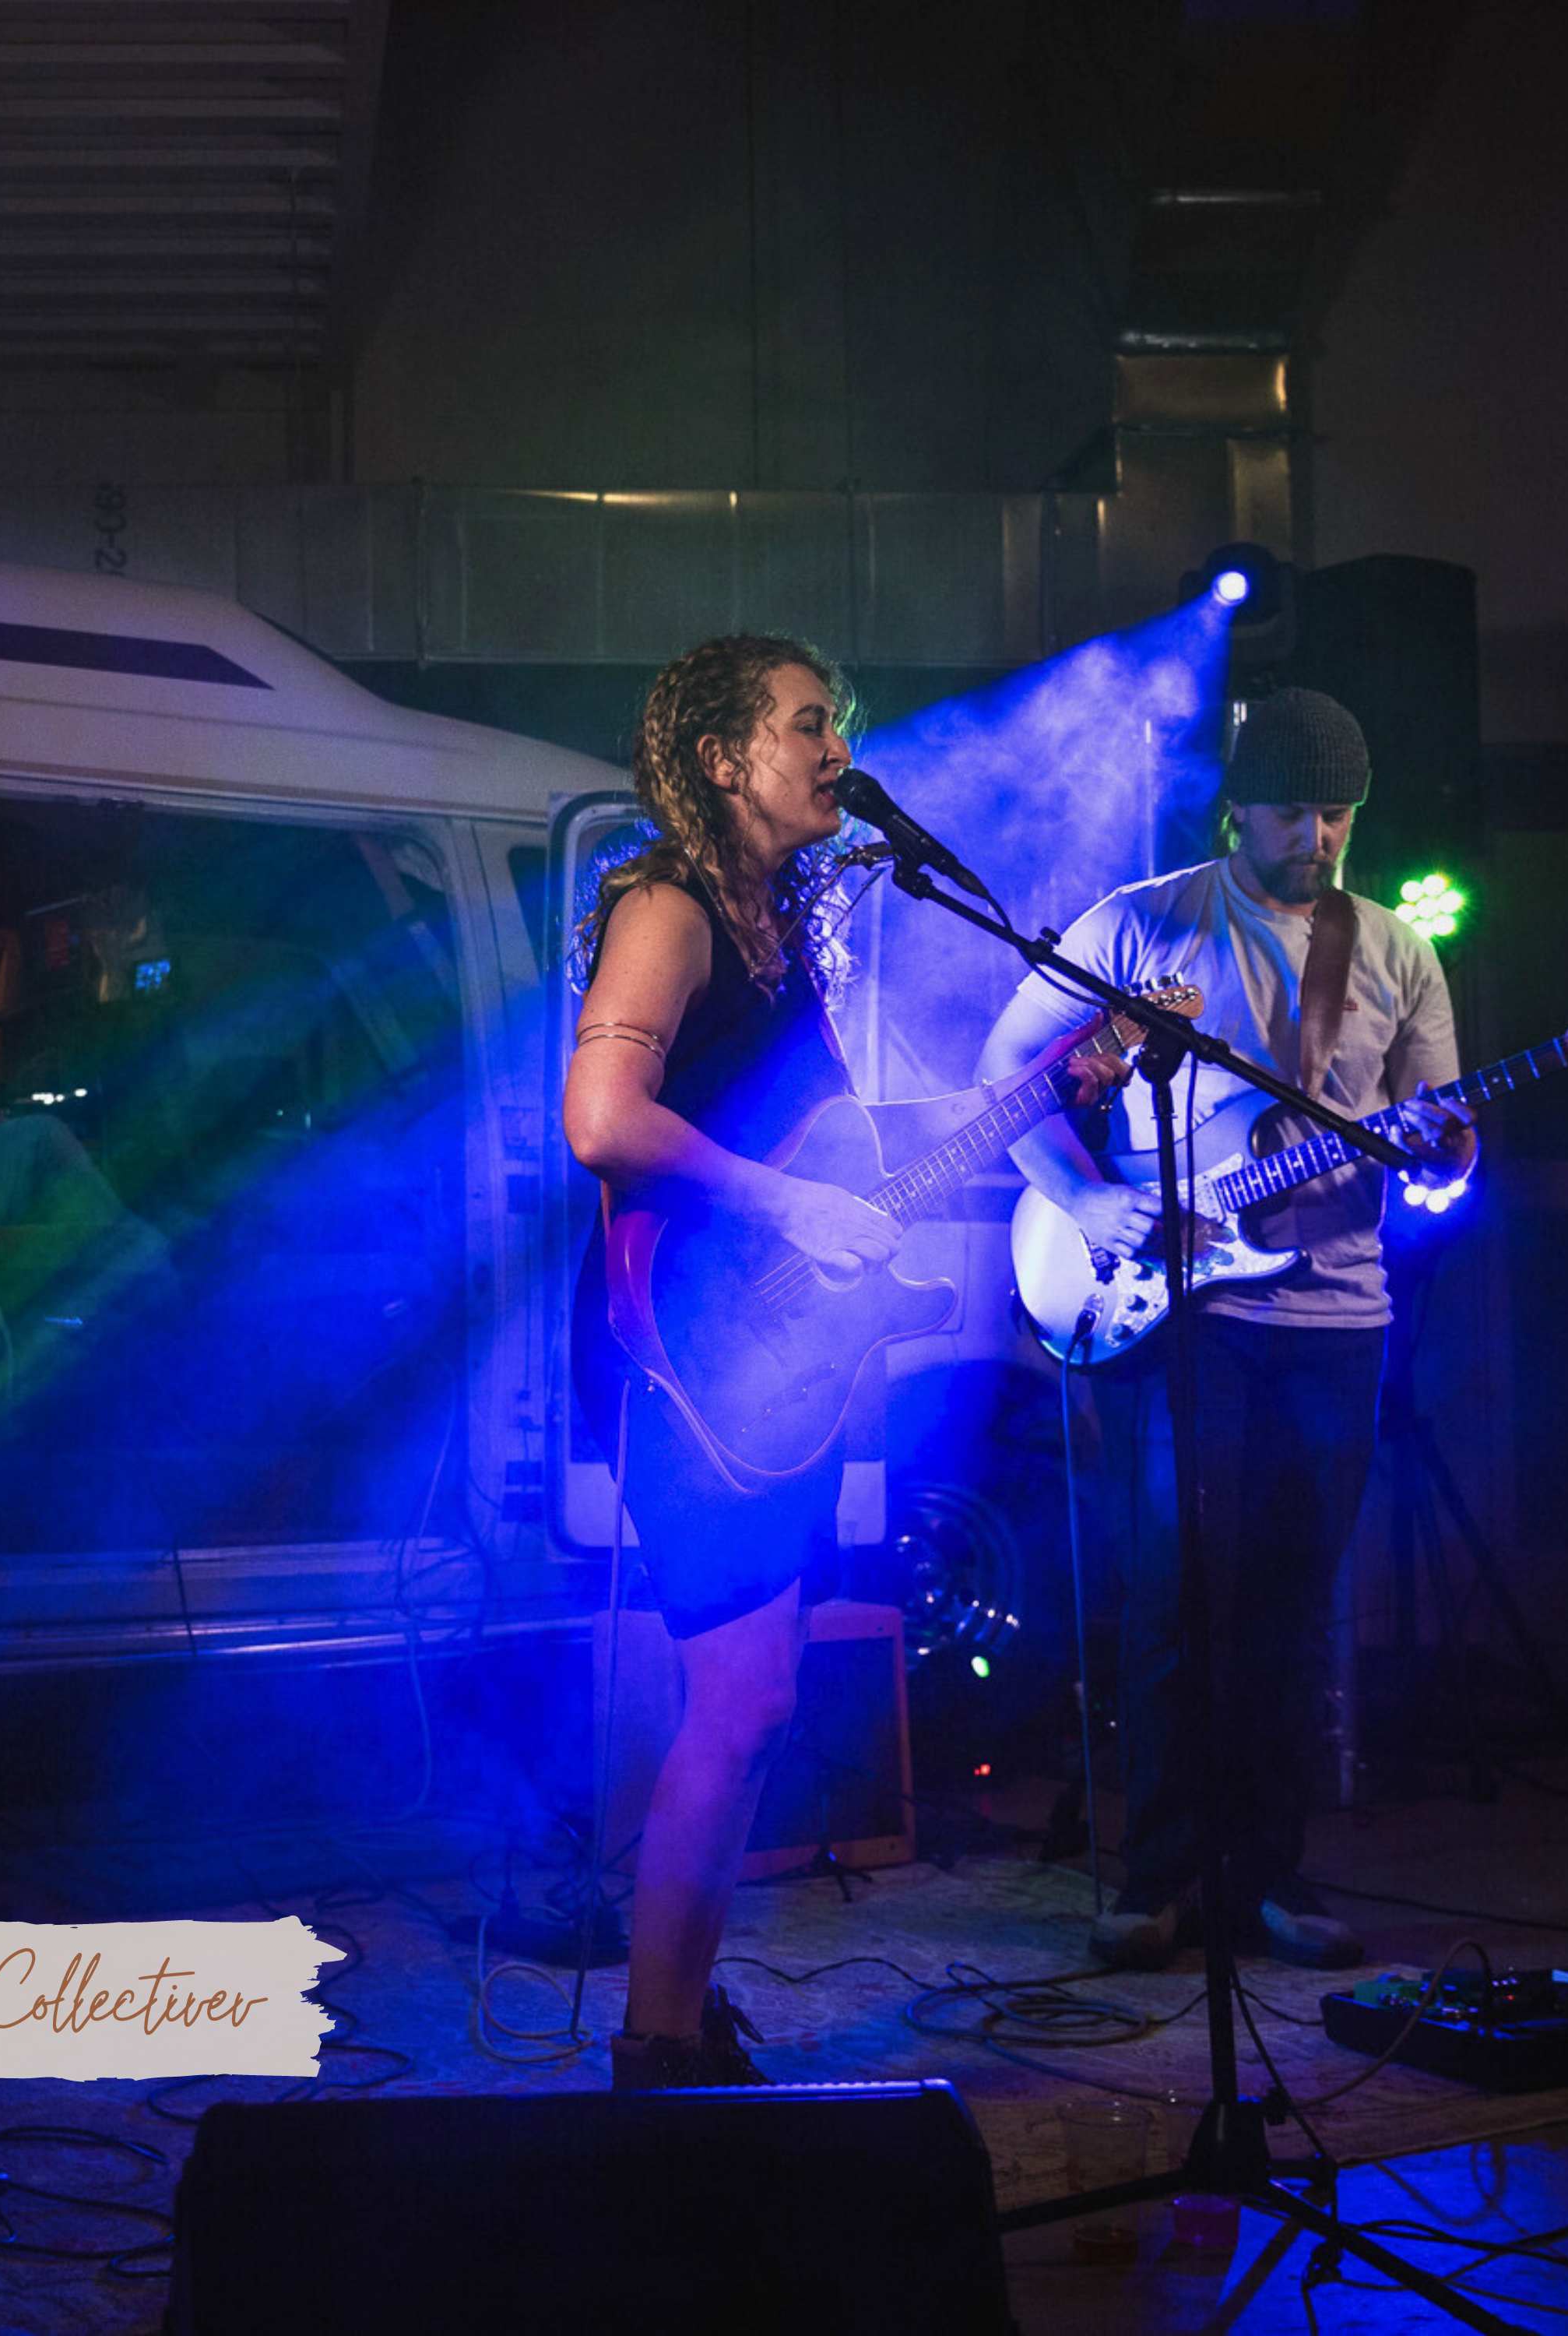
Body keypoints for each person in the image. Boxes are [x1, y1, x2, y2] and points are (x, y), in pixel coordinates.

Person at [976, 686, 1474, 1971]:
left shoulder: (1397, 951)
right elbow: (1003, 1073)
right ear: (1237, 810)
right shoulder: (1146, 923)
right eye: (1296, 811)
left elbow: (1438, 1140)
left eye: (1341, 814)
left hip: (1339, 1315)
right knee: (1173, 1596)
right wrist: (1085, 1195)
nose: (1321, 836)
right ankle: (1160, 1877)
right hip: (1177, 1316)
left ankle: (1269, 1878)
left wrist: (1448, 1151)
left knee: (1294, 1610)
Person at [563, 634, 903, 2088]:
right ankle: (657, 2047)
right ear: (721, 758)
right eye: (808, 723)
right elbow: (600, 1118)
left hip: (761, 1357)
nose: (837, 750)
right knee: (747, 1696)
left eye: (841, 725)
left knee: (754, 1699)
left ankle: (680, 2022)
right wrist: (788, 1208)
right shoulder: (670, 907)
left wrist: (1051, 1081)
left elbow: (817, 1145)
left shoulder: (774, 928)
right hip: (676, 1352)